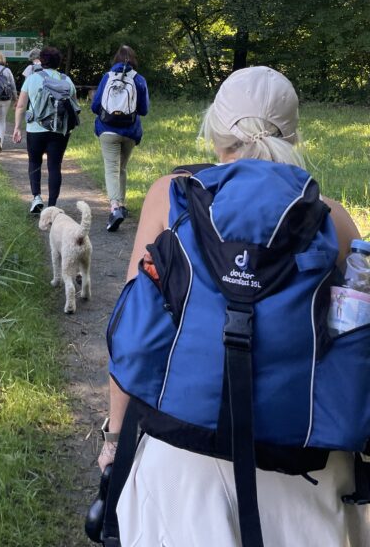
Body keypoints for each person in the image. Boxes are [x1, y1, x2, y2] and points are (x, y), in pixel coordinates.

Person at [97, 66, 368, 547]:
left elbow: (135, 331)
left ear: (215, 131)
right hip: (304, 462)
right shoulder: (333, 219)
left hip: (181, 454)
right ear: (293, 135)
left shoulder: (171, 197)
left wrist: (114, 437)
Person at [12, 46, 78, 214]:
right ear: (58, 62)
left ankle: (36, 198)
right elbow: (74, 106)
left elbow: (21, 105)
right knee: (54, 166)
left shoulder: (32, 78)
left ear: (41, 61)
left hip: (35, 128)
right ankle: (52, 205)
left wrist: (17, 127)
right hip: (59, 129)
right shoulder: (66, 80)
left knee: (34, 162)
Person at [90, 45, 149, 232]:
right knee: (122, 168)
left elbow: (95, 106)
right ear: (133, 59)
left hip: (108, 130)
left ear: (116, 59)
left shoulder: (107, 77)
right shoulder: (139, 80)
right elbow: (144, 110)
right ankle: (121, 205)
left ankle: (115, 207)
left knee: (111, 169)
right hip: (130, 131)